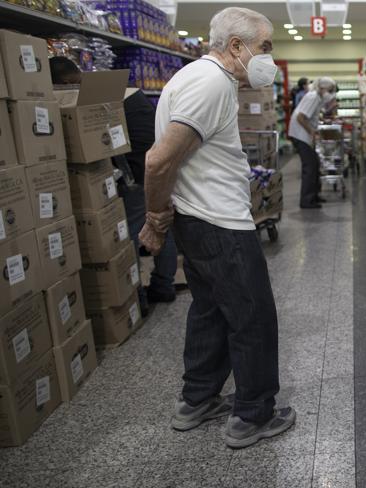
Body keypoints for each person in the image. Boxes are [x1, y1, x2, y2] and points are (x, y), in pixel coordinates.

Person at [138, 6, 295, 449]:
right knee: (252, 317)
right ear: (236, 47)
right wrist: (154, 219)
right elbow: (159, 160)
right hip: (220, 224)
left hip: (200, 220)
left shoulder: (200, 78)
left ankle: (197, 400)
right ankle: (252, 415)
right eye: (265, 47)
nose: (269, 56)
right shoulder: (210, 83)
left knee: (209, 311)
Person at [49, 57, 178, 313]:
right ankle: (164, 286)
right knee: (162, 227)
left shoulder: (95, 97)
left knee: (126, 235)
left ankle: (136, 296)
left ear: (64, 83)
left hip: (135, 177)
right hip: (159, 170)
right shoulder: (127, 90)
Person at [288, 77, 337, 209]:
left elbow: (312, 115)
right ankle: (306, 201)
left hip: (303, 135)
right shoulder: (313, 97)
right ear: (322, 88)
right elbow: (300, 117)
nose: (331, 93)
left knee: (314, 165)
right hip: (300, 135)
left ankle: (314, 195)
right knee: (309, 168)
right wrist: (312, 132)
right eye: (330, 90)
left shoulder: (317, 98)